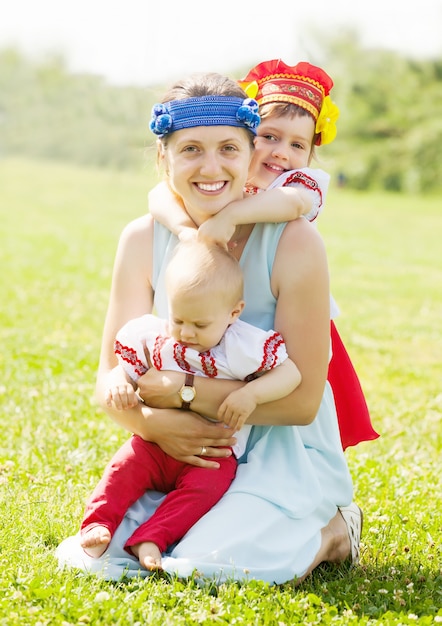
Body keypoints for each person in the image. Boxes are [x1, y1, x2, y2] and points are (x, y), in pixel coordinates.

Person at [56, 70, 361, 584]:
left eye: (228, 149)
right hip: (178, 445)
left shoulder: (295, 242)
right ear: (163, 159)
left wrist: (182, 390)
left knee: (211, 566)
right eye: (190, 150)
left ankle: (334, 526)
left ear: (249, 158)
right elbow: (110, 376)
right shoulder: (142, 238)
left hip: (279, 442)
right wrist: (154, 426)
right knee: (100, 559)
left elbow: (303, 402)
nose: (211, 167)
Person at [149, 59, 379, 451]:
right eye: (270, 137)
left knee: (297, 384)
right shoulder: (220, 175)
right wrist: (189, 234)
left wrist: (234, 215)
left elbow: (291, 205)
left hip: (292, 311)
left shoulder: (299, 186)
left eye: (297, 145)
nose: (281, 154)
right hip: (225, 312)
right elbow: (158, 195)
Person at [80, 240, 301, 570]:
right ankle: (98, 523)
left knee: (205, 492)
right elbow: (121, 369)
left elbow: (290, 373)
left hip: (211, 453)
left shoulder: (241, 345)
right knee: (123, 468)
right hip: (154, 443)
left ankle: (153, 537)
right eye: (178, 318)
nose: (186, 333)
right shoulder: (155, 338)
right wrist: (119, 383)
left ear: (233, 313)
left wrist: (250, 394)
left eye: (200, 325)